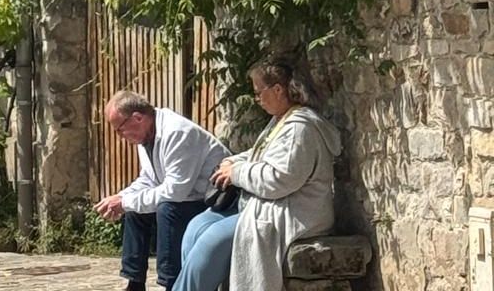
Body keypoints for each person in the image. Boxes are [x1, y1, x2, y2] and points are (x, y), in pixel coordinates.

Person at [171, 57, 341, 291]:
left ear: (278, 90)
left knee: (212, 241)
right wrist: (232, 161)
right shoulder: (280, 121)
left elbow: (279, 179)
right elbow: (258, 154)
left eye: (259, 92)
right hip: (269, 204)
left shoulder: (301, 129)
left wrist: (236, 173)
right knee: (197, 227)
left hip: (294, 212)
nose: (257, 99)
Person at [94, 91, 228, 291]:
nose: (120, 136)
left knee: (167, 209)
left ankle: (171, 283)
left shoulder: (177, 133)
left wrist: (125, 202)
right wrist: (122, 197)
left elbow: (175, 191)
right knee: (134, 209)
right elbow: (149, 179)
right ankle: (134, 283)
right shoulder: (145, 136)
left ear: (137, 118)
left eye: (120, 129)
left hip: (214, 201)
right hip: (188, 196)